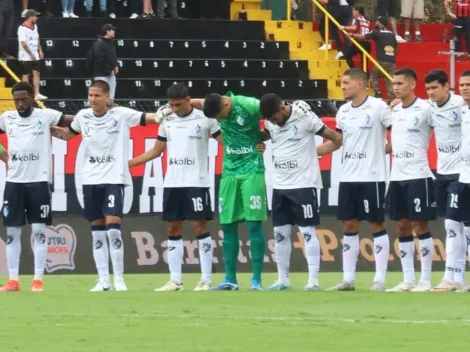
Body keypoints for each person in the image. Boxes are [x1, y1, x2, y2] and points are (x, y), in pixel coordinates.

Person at [50, 80, 164, 292]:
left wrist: (163, 113)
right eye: (90, 95)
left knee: (113, 230)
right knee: (97, 233)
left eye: (97, 96)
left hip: (114, 179)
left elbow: (149, 118)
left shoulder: (120, 115)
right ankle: (103, 280)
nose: (92, 99)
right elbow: (68, 135)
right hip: (91, 180)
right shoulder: (83, 117)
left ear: (106, 97)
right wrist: (50, 129)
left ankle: (119, 279)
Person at [129, 83, 223, 291]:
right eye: (172, 105)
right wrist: (129, 164)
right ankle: (175, 280)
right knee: (173, 227)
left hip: (196, 182)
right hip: (172, 182)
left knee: (200, 227)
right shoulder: (167, 120)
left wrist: (249, 148)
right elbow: (156, 151)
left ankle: (206, 279)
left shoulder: (205, 118)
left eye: (179, 105)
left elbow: (224, 140)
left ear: (188, 100)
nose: (175, 109)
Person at [317, 68, 392, 292]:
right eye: (342, 82)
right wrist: (311, 152)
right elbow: (338, 142)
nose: (343, 86)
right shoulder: (343, 112)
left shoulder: (379, 107)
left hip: (372, 177)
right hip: (348, 176)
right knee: (349, 224)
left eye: (346, 82)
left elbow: (399, 134)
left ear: (361, 84)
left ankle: (379, 279)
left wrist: (382, 151)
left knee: (375, 223)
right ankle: (348, 280)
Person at [259, 94, 341, 291]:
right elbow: (262, 137)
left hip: (303, 184)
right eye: (269, 120)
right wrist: (258, 143)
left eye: (274, 118)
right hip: (279, 185)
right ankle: (283, 280)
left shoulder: (304, 117)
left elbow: (337, 139)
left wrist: (316, 152)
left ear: (281, 108)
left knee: (307, 232)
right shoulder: (271, 124)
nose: (273, 123)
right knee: (280, 233)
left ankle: (313, 281)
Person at [187, 92, 267, 290]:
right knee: (228, 225)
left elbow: (276, 114)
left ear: (225, 104)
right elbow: (192, 101)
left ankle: (256, 280)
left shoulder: (250, 104)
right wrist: (168, 107)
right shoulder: (212, 104)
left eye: (219, 117)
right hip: (229, 172)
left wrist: (263, 137)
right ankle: (230, 279)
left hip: (252, 170)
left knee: (253, 224)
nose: (220, 121)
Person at [0, 81, 74, 292]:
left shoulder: (45, 116)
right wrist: (5, 156)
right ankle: (13, 280)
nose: (20, 104)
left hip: (38, 182)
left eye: (24, 99)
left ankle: (38, 280)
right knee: (12, 232)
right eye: (16, 100)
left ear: (33, 98)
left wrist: (72, 131)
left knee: (39, 231)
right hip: (14, 183)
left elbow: (75, 121)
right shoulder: (7, 118)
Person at [386, 68, 436, 292]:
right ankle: (408, 280)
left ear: (412, 84)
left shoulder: (426, 109)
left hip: (419, 175)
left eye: (400, 83)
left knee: (420, 225)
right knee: (401, 226)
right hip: (397, 176)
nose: (395, 87)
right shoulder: (393, 110)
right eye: (394, 83)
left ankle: (425, 280)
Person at [421, 70, 466, 292]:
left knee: (452, 225)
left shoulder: (460, 104)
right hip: (443, 173)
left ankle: (452, 277)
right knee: (456, 226)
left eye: (434, 88)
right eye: (427, 89)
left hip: (462, 173)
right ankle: (458, 279)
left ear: (446, 86)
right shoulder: (428, 108)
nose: (430, 93)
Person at [348, 16, 397, 101]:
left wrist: (352, 35)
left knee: (373, 76)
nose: (376, 23)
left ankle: (378, 94)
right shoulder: (392, 34)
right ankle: (392, 100)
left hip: (381, 60)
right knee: (389, 79)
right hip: (392, 61)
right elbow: (396, 47)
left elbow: (363, 37)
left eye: (377, 21)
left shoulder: (376, 32)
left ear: (380, 22)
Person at [455, 70, 470, 292]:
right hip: (465, 176)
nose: (465, 88)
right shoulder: (463, 112)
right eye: (462, 85)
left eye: (468, 84)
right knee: (467, 228)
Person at [18, 9, 47, 100]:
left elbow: (37, 38)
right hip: (25, 55)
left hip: (35, 54)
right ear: (30, 17)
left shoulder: (35, 26)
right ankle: (26, 94)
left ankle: (37, 93)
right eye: (35, 16)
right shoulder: (22, 28)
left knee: (36, 73)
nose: (37, 18)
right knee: (26, 75)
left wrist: (40, 51)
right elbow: (23, 43)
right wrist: (30, 54)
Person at [87, 24, 118, 103]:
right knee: (100, 94)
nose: (114, 32)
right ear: (107, 31)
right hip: (101, 73)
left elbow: (112, 56)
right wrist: (109, 70)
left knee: (111, 95)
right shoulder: (99, 43)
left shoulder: (110, 42)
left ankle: (110, 108)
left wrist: (115, 66)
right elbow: (99, 59)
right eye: (112, 30)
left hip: (110, 72)